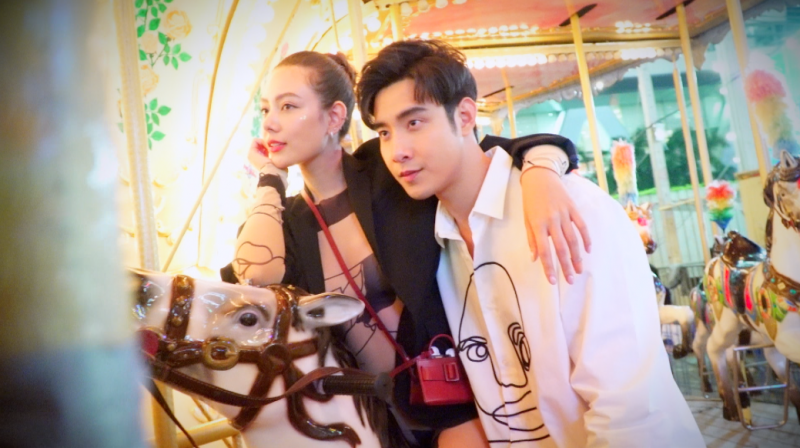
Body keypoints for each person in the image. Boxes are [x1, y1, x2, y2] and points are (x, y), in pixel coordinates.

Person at [222, 50, 588, 447]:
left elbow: (501, 150)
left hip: (451, 400)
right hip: (366, 422)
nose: (270, 123)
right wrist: (270, 178)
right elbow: (256, 274)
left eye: (288, 106)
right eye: (266, 109)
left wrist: (541, 173)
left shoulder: (390, 171)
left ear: (334, 117)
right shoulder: (287, 225)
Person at [357, 40, 705, 447]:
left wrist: (543, 166)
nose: (397, 151)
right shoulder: (431, 239)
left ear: (465, 116)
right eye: (384, 132)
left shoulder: (569, 211)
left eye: (415, 122)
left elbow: (629, 408)